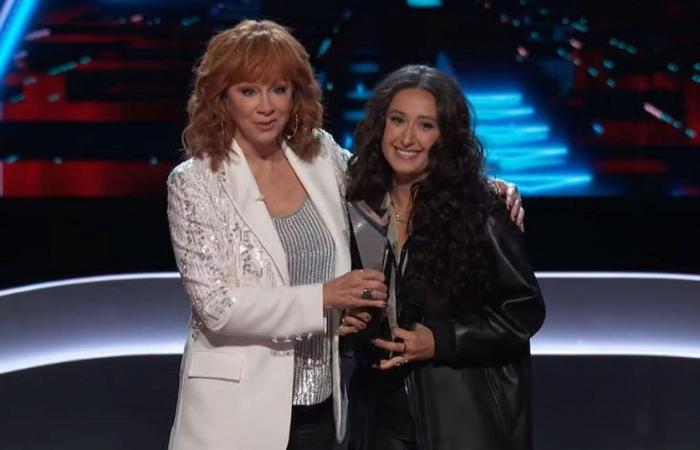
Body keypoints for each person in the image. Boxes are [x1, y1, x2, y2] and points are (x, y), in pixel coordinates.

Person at [167, 20, 524, 450]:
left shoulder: (318, 155)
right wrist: (325, 298)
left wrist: (488, 189)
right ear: (222, 98)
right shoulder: (195, 182)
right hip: (235, 412)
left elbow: (394, 167)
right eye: (248, 91)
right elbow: (217, 307)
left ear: (296, 94)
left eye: (278, 90)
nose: (266, 107)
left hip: (323, 405)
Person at [342, 65, 546, 450]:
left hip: (459, 416)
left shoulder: (481, 208)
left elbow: (524, 310)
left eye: (425, 126)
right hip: (377, 413)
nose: (407, 138)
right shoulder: (358, 205)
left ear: (446, 136)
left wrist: (441, 340)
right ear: (380, 126)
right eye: (397, 120)